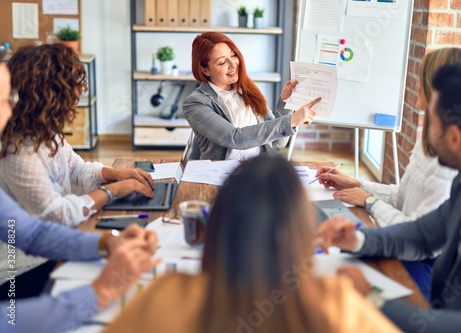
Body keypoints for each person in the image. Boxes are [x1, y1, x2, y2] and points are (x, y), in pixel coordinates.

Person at [103, 155, 398, 333]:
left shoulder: (166, 297)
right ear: (302, 233)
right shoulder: (337, 302)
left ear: (217, 223)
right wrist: (371, 298)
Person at [316, 62, 461, 332]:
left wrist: (371, 300)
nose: (428, 133)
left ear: (456, 138)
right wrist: (358, 238)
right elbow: (423, 235)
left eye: (432, 122)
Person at [0, 62, 160, 333]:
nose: (10, 108)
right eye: (5, 99)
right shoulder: (17, 153)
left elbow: (33, 234)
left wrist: (109, 243)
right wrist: (100, 292)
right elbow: (9, 320)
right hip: (13, 278)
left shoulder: (45, 137)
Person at [0, 44, 155, 227]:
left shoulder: (45, 131)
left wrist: (114, 173)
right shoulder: (16, 151)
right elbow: (57, 214)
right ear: (47, 93)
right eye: (72, 83)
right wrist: (112, 190)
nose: (82, 90)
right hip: (31, 254)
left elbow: (76, 169)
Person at [183, 31, 320, 161]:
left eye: (233, 55)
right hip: (219, 175)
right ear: (205, 70)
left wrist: (285, 102)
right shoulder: (195, 103)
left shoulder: (247, 90)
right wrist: (291, 121)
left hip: (256, 171)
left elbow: (278, 142)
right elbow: (234, 138)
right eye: (222, 62)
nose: (233, 65)